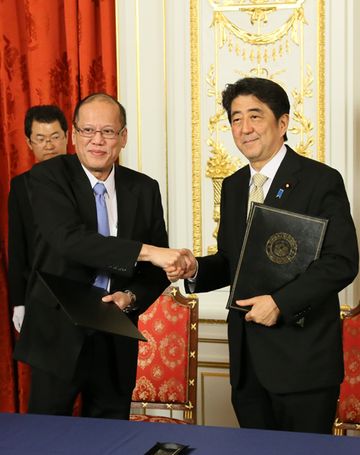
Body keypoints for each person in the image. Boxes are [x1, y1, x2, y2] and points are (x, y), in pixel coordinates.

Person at [169, 77, 359, 434]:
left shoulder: (320, 180)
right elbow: (232, 260)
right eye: (236, 119)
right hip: (247, 364)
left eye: (255, 116)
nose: (245, 128)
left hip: (303, 363)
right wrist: (194, 268)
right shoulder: (234, 185)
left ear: (282, 123)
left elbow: (342, 262)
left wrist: (280, 303)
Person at [13, 93, 187, 419]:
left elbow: (154, 273)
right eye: (88, 130)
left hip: (115, 333)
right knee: (47, 436)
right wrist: (148, 252)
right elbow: (71, 241)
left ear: (122, 138)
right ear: (75, 135)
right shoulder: (47, 178)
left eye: (107, 132)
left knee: (110, 437)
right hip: (57, 331)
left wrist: (131, 297)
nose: (97, 140)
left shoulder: (144, 188)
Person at [8, 105, 69, 333]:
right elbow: (17, 246)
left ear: (67, 136)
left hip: (85, 290)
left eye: (55, 137)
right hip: (39, 292)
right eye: (41, 138)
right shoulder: (21, 186)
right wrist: (19, 302)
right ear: (29, 142)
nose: (49, 145)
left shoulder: (88, 177)